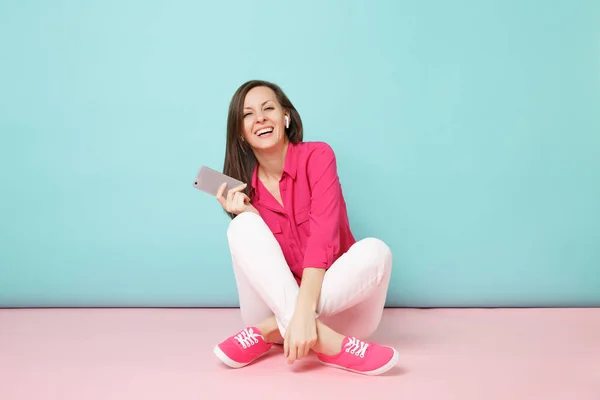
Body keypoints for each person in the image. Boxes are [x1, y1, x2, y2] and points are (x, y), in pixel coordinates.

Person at [212, 80, 399, 376]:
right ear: (240, 133)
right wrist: (249, 213)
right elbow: (267, 265)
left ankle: (271, 331)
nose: (259, 117)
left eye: (268, 108)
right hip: (275, 305)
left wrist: (301, 314)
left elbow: (323, 237)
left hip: (341, 312)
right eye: (248, 114)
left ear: (285, 116)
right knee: (243, 225)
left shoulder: (318, 156)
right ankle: (330, 344)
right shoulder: (249, 190)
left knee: (376, 250)